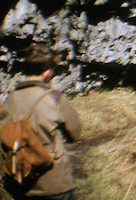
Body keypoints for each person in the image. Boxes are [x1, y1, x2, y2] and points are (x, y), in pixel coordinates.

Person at [1, 42, 82, 200]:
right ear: (47, 73)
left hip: (20, 182)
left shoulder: (10, 101)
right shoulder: (54, 97)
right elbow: (75, 133)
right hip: (54, 184)